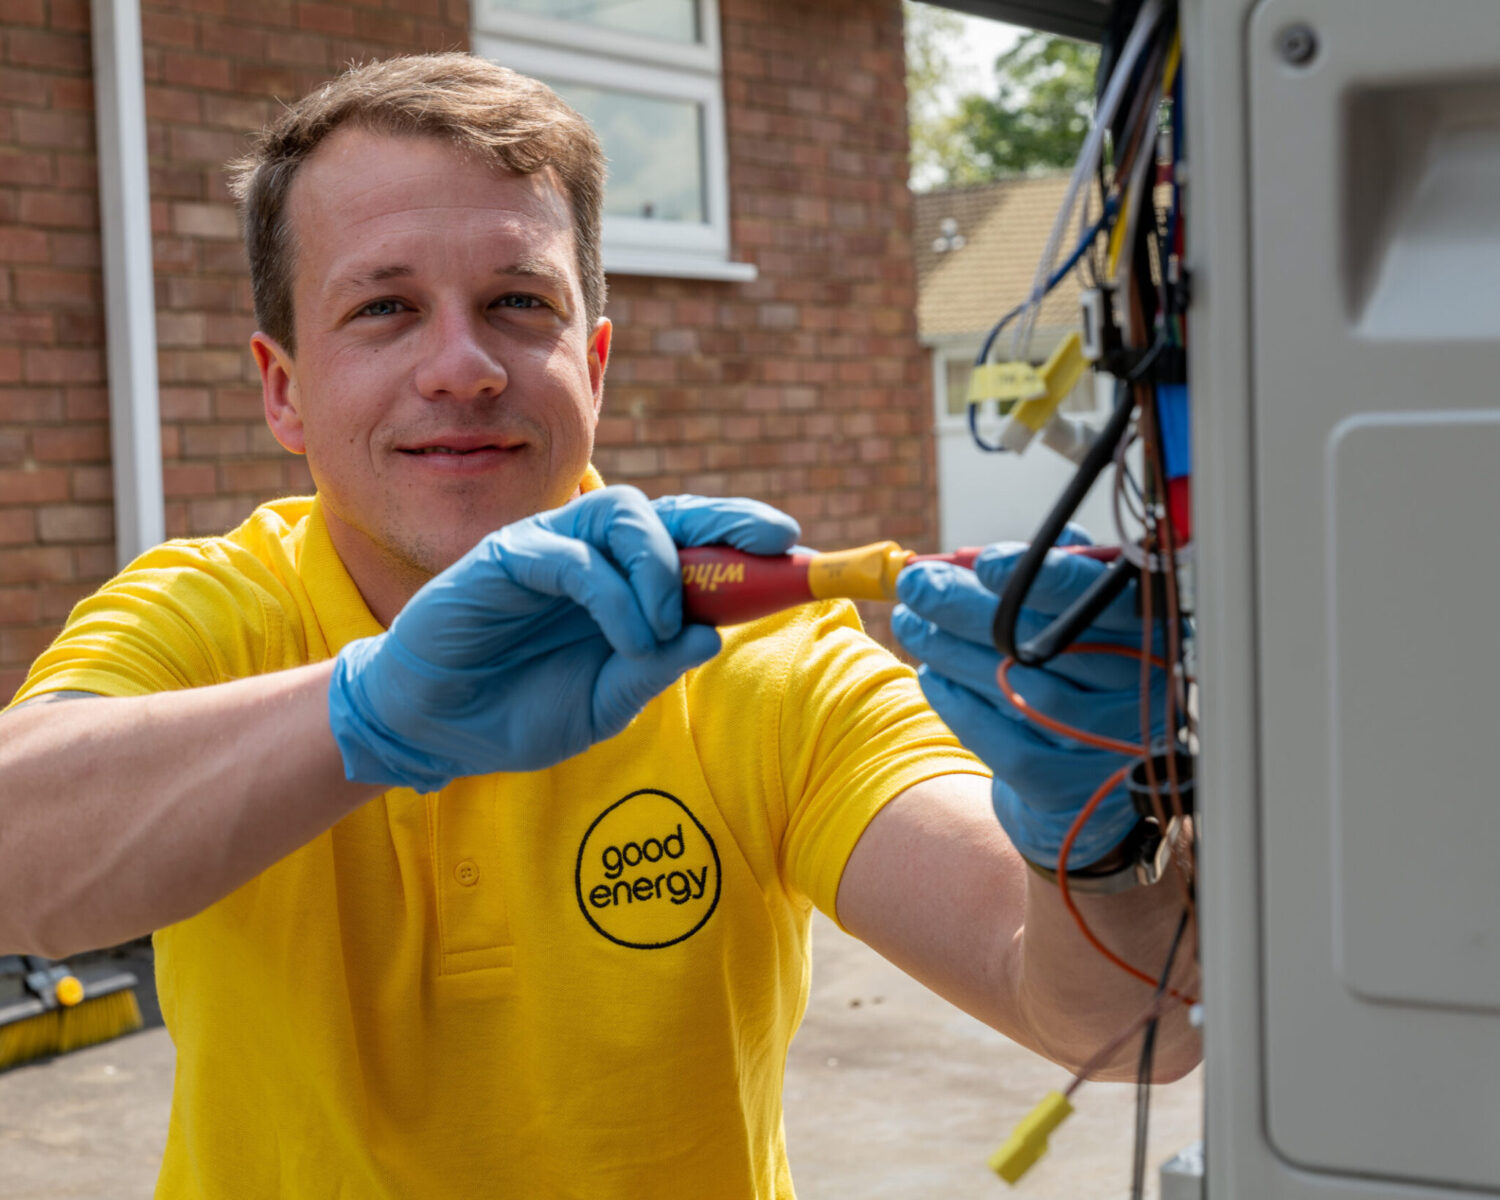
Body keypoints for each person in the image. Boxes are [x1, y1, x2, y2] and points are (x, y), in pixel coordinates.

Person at [0, 53, 1197, 1199]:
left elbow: (1123, 1026)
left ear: (596, 361)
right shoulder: (215, 610)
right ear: (282, 388)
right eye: (384, 308)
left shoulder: (747, 643)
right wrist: (367, 713)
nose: (461, 366)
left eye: (520, 302)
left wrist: (1090, 836)